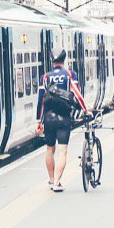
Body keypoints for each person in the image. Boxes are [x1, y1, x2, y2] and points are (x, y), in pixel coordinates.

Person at [36, 50, 88, 191]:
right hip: (64, 117)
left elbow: (41, 100)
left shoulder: (45, 77)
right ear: (64, 60)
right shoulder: (70, 74)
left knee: (49, 149)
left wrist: (39, 121)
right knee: (62, 150)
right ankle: (57, 182)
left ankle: (51, 180)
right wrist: (85, 109)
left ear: (51, 60)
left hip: (48, 119)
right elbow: (77, 95)